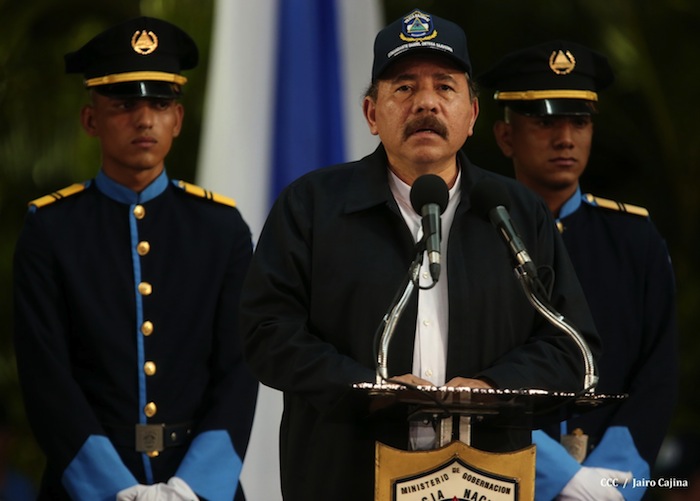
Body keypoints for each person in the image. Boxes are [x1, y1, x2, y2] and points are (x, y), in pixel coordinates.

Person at [239, 9, 601, 500]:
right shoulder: (313, 205)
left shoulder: (515, 210)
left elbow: (569, 343)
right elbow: (267, 333)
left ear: (472, 115)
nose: (426, 102)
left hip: (486, 480)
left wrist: (493, 386)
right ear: (372, 114)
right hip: (346, 478)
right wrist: (365, 389)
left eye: (445, 87)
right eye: (405, 88)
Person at [12, 17, 258, 501]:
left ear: (178, 120)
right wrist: (114, 489)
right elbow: (46, 378)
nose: (145, 120)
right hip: (85, 488)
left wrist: (193, 487)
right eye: (125, 105)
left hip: (200, 488)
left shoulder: (221, 228)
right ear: (90, 120)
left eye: (160, 104)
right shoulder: (50, 230)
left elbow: (240, 368)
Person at [478, 40, 679, 500]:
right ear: (505, 136)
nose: (565, 138)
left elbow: (658, 373)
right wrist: (561, 477)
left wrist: (613, 482)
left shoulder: (635, 239)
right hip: (502, 478)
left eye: (580, 121)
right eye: (545, 122)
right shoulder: (474, 236)